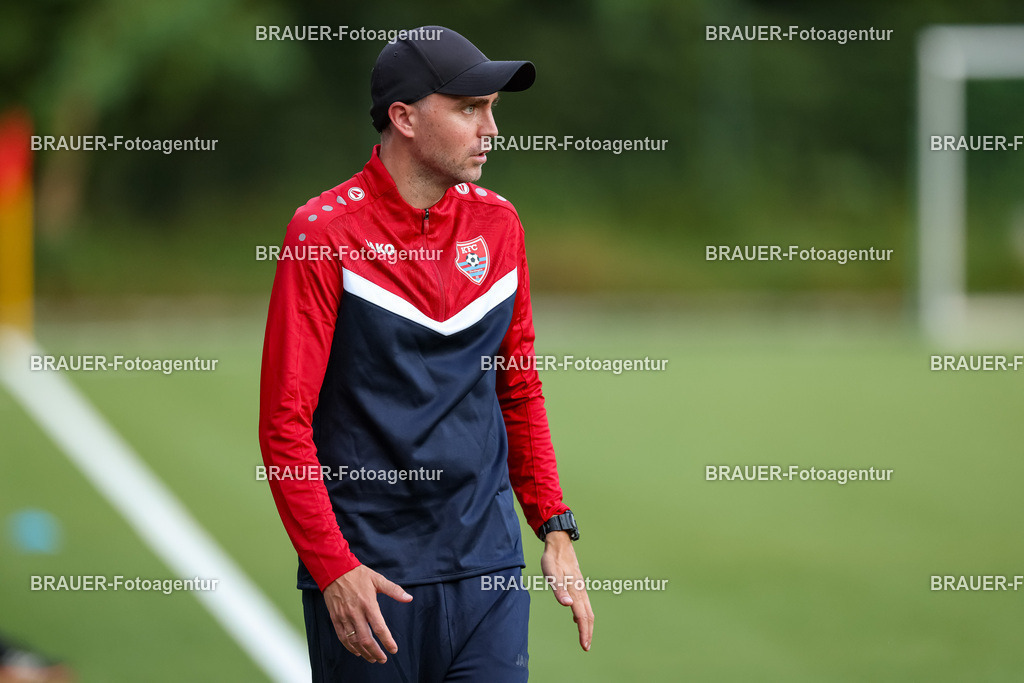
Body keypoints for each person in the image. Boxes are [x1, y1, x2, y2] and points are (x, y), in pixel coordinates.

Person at [258, 25, 593, 681]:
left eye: (492, 109)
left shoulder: (500, 224)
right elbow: (284, 423)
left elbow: (518, 387)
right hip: (371, 581)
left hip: (489, 570)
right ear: (404, 117)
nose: (491, 129)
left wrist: (555, 526)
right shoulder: (323, 233)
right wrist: (333, 568)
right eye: (470, 109)